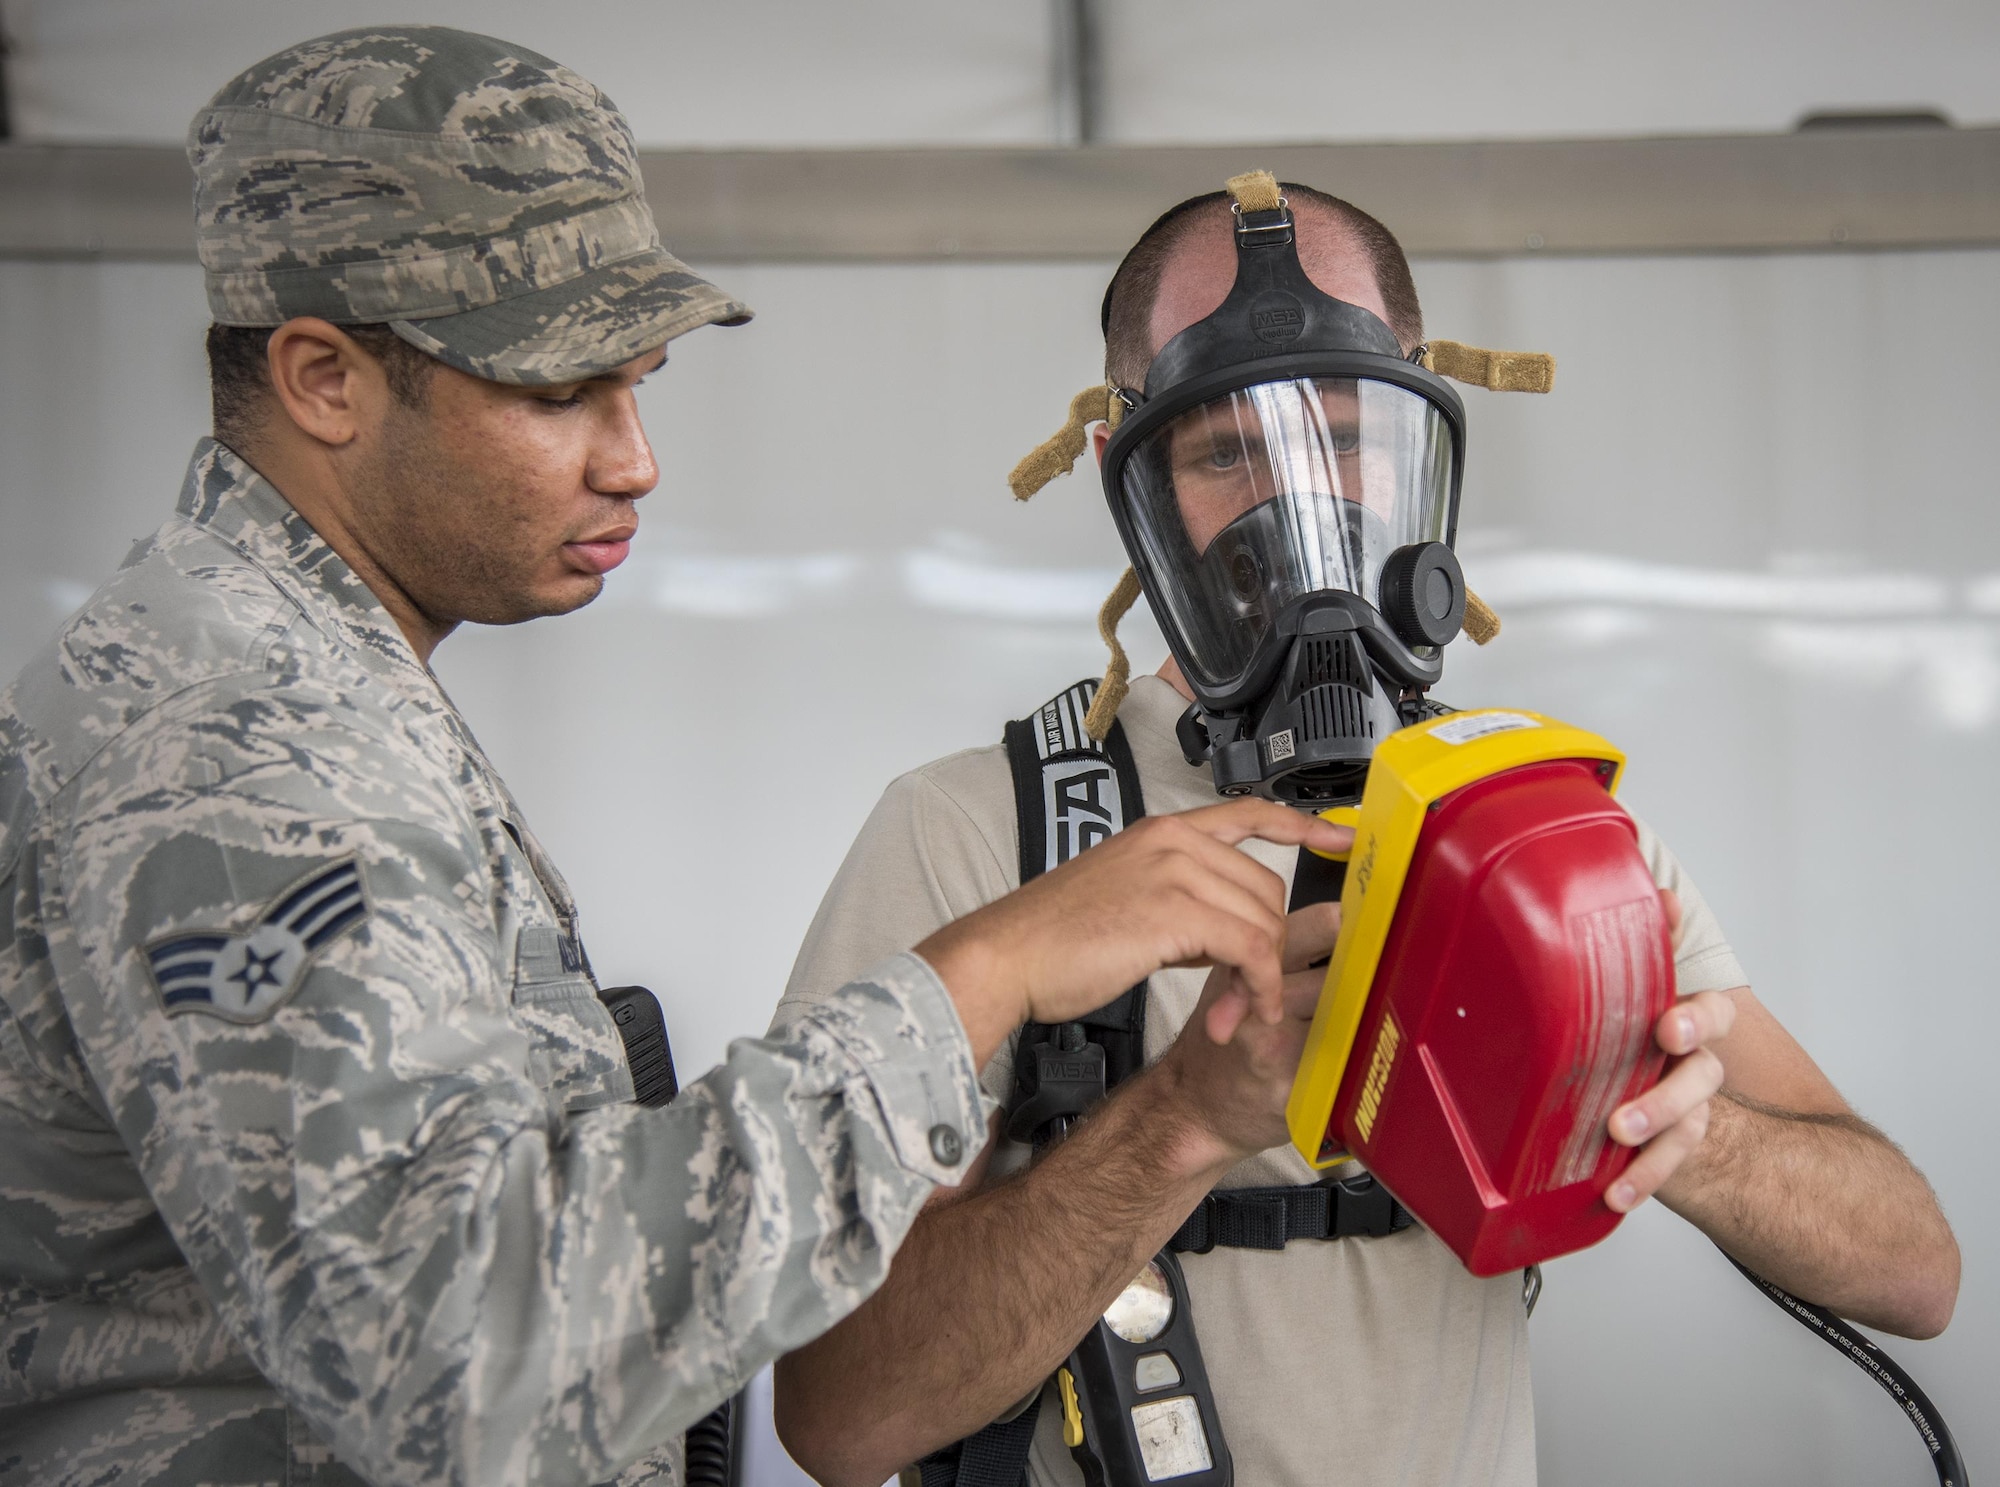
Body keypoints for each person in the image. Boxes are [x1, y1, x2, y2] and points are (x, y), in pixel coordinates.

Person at [0, 36, 1349, 1487]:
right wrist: (988, 977)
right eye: (564, 391)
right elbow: (445, 1357)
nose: (634, 459)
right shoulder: (229, 745)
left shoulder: (307, 686)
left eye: (637, 385)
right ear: (325, 379)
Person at [768, 178, 1962, 1487]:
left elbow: (1914, 1271)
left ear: (1420, 460)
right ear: (1135, 483)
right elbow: (838, 1419)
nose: (1303, 504)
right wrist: (1184, 1121)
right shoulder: (974, 839)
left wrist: (1682, 1132)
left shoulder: (1546, 838)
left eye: (1348, 438)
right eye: (1229, 451)